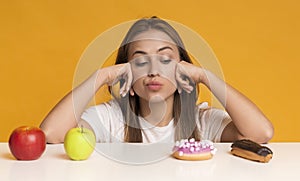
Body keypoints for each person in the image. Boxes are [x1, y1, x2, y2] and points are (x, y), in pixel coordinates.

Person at [40, 17, 274, 144]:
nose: (153, 71)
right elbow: (51, 134)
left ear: (183, 68)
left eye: (165, 59)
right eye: (140, 62)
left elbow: (261, 133)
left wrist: (205, 76)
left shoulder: (201, 120)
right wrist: (102, 76)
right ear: (126, 72)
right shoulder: (111, 119)